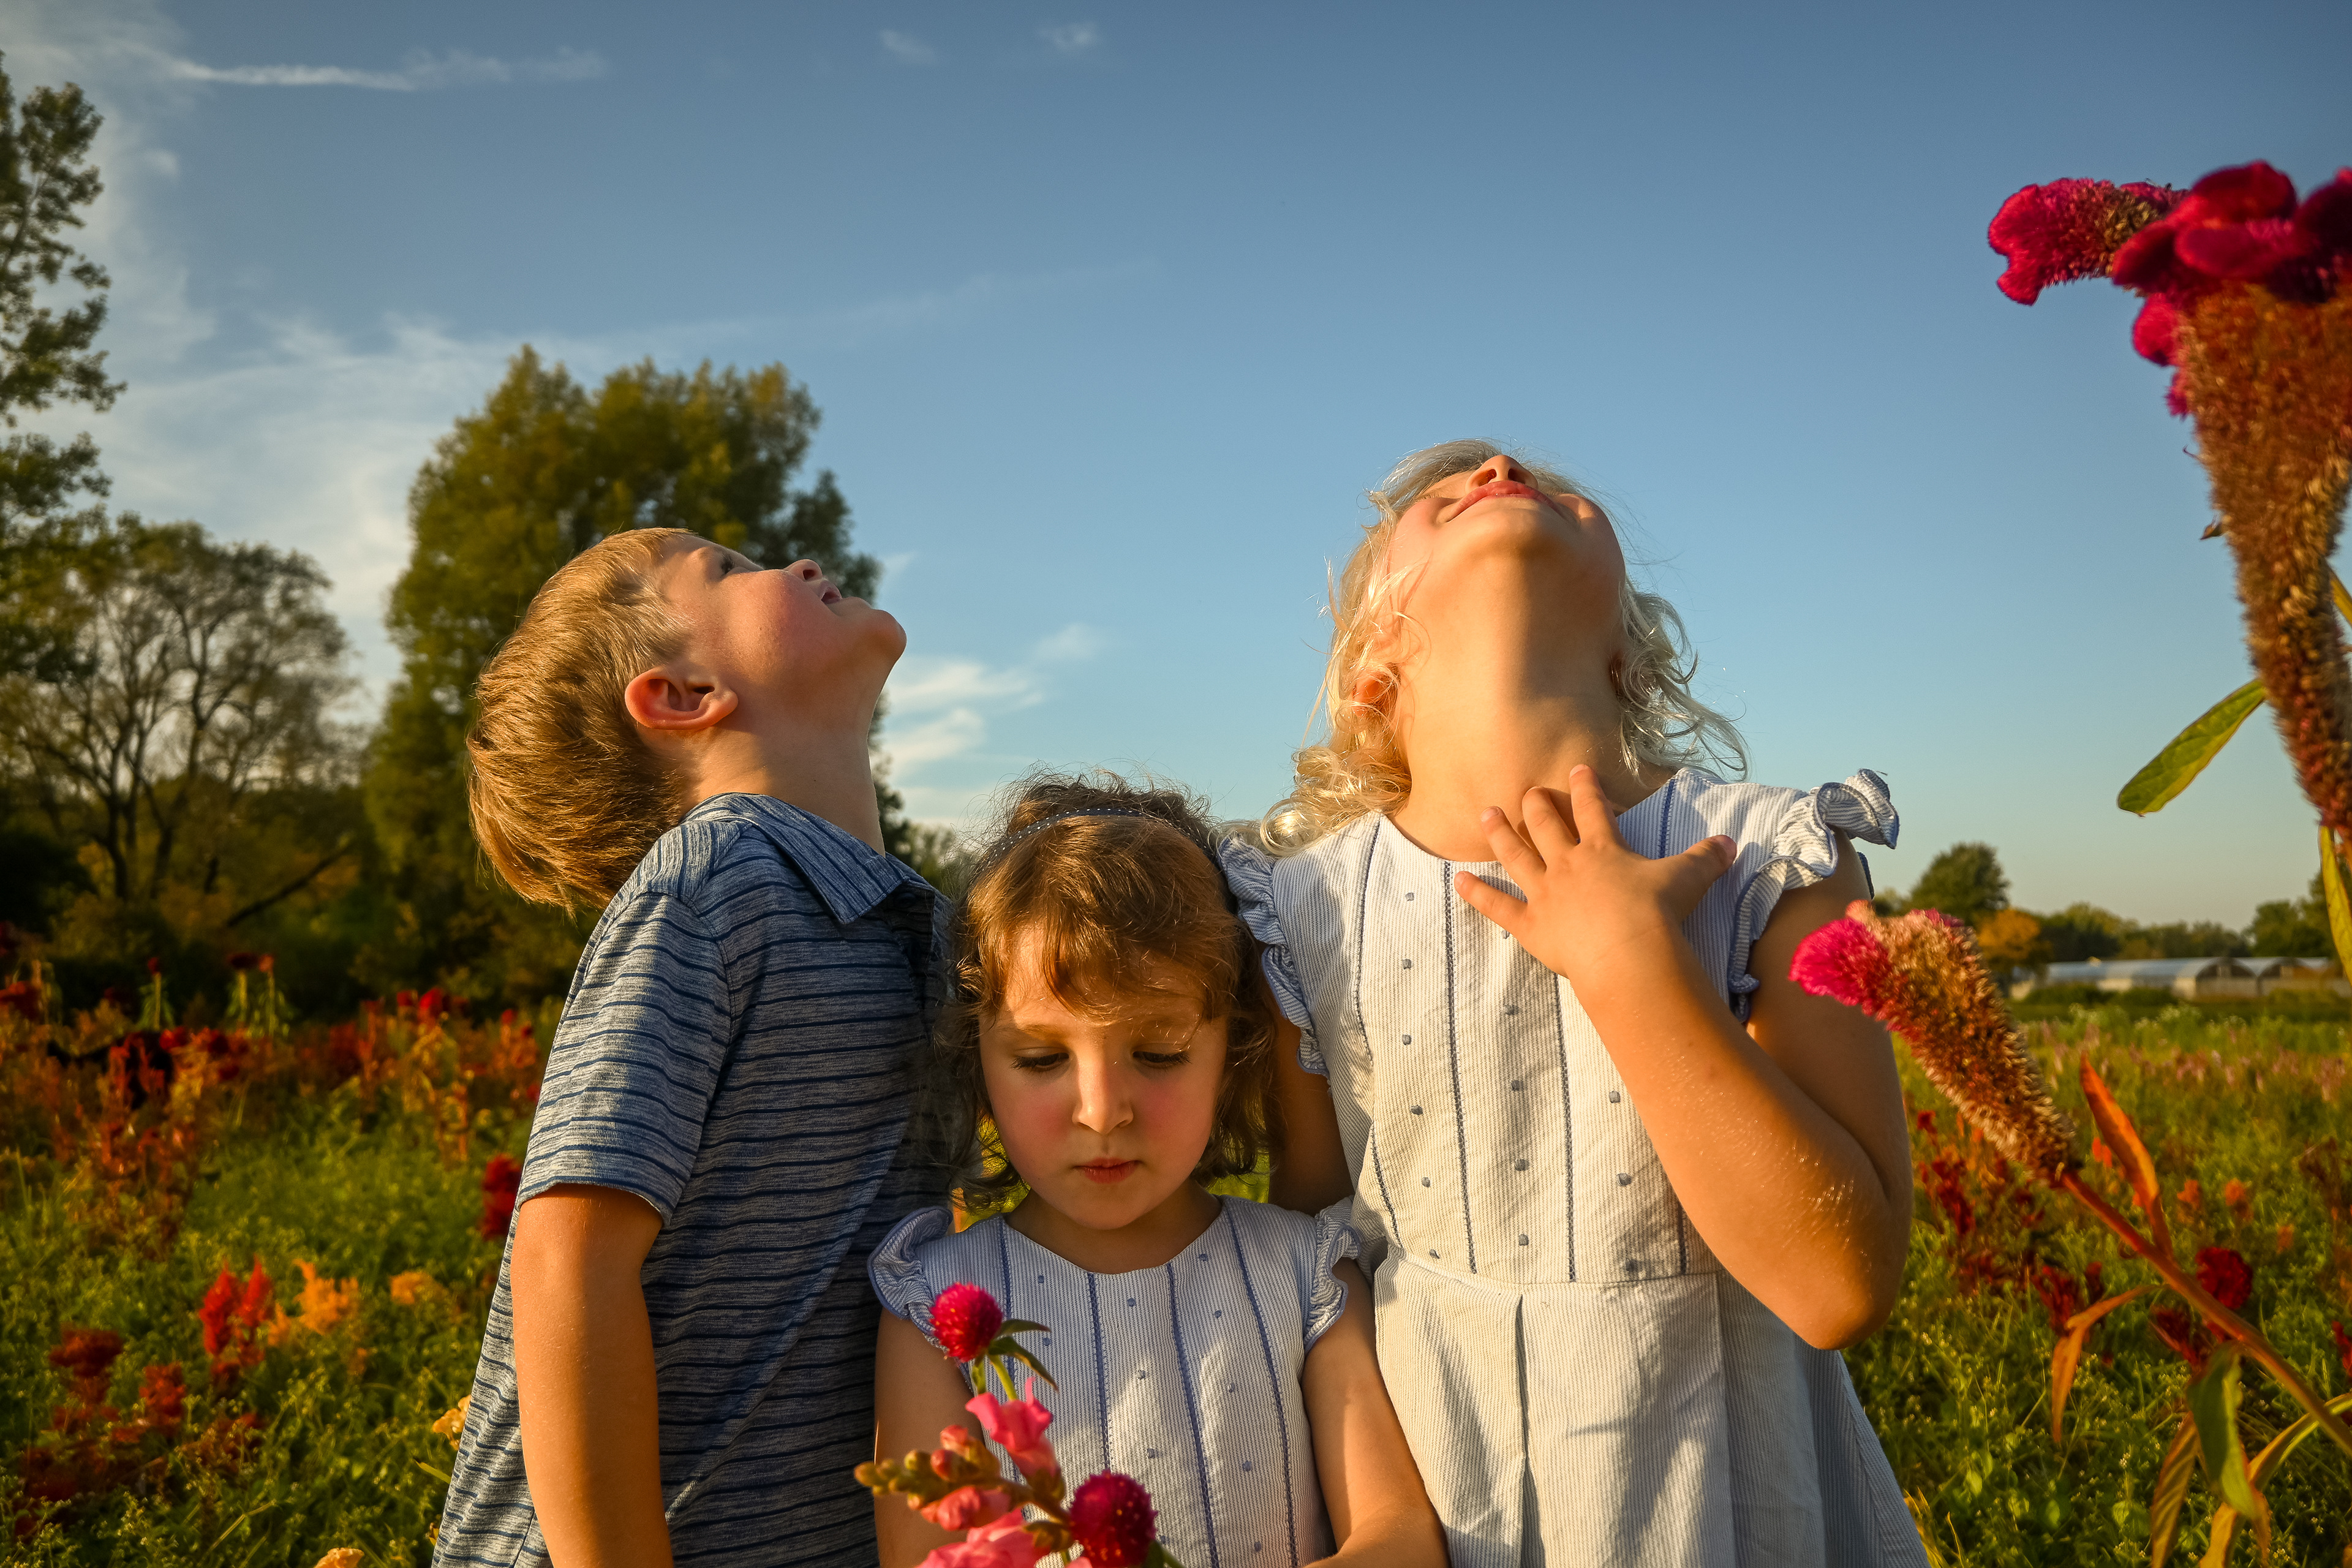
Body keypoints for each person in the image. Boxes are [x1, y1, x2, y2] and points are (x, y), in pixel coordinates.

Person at [1221, 443, 1928, 1567]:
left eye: (1551, 483)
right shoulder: (1299, 911)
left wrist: (1629, 963)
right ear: (1372, 671)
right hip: (1448, 1506)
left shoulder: (1770, 858)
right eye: (1431, 502)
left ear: (1630, 656)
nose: (1498, 463)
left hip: (1740, 1505)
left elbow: (1840, 1284)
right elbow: (1318, 1260)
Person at [434, 528, 948, 1568]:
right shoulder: (715, 884)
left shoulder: (922, 924)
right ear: (681, 695)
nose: (796, 562)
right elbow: (567, 1260)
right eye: (727, 568)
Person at [868, 775, 1447, 1568]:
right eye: (1042, 1058)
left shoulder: (1306, 1279)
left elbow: (1402, 1541)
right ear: (977, 1063)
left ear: (1232, 1052)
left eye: (1160, 1053)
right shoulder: (937, 1307)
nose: (1104, 1111)